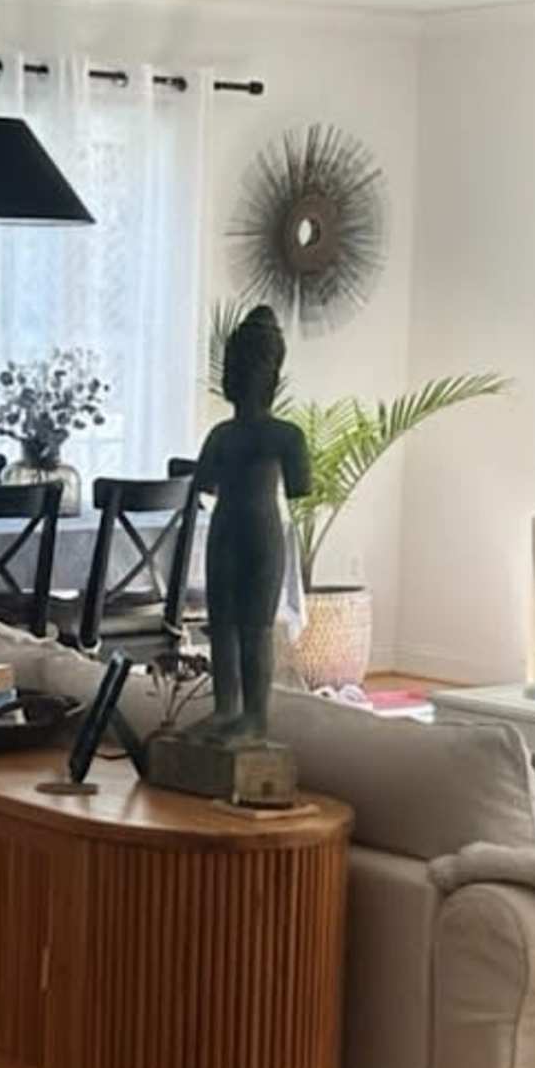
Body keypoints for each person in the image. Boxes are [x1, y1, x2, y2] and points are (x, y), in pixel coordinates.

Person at [192, 304, 311, 743]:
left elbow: (300, 486)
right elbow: (202, 482)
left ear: (271, 375)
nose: (240, 377)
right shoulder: (222, 435)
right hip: (226, 534)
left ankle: (255, 717)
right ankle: (226, 709)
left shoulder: (286, 436)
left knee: (255, 628)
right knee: (221, 625)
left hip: (260, 536)